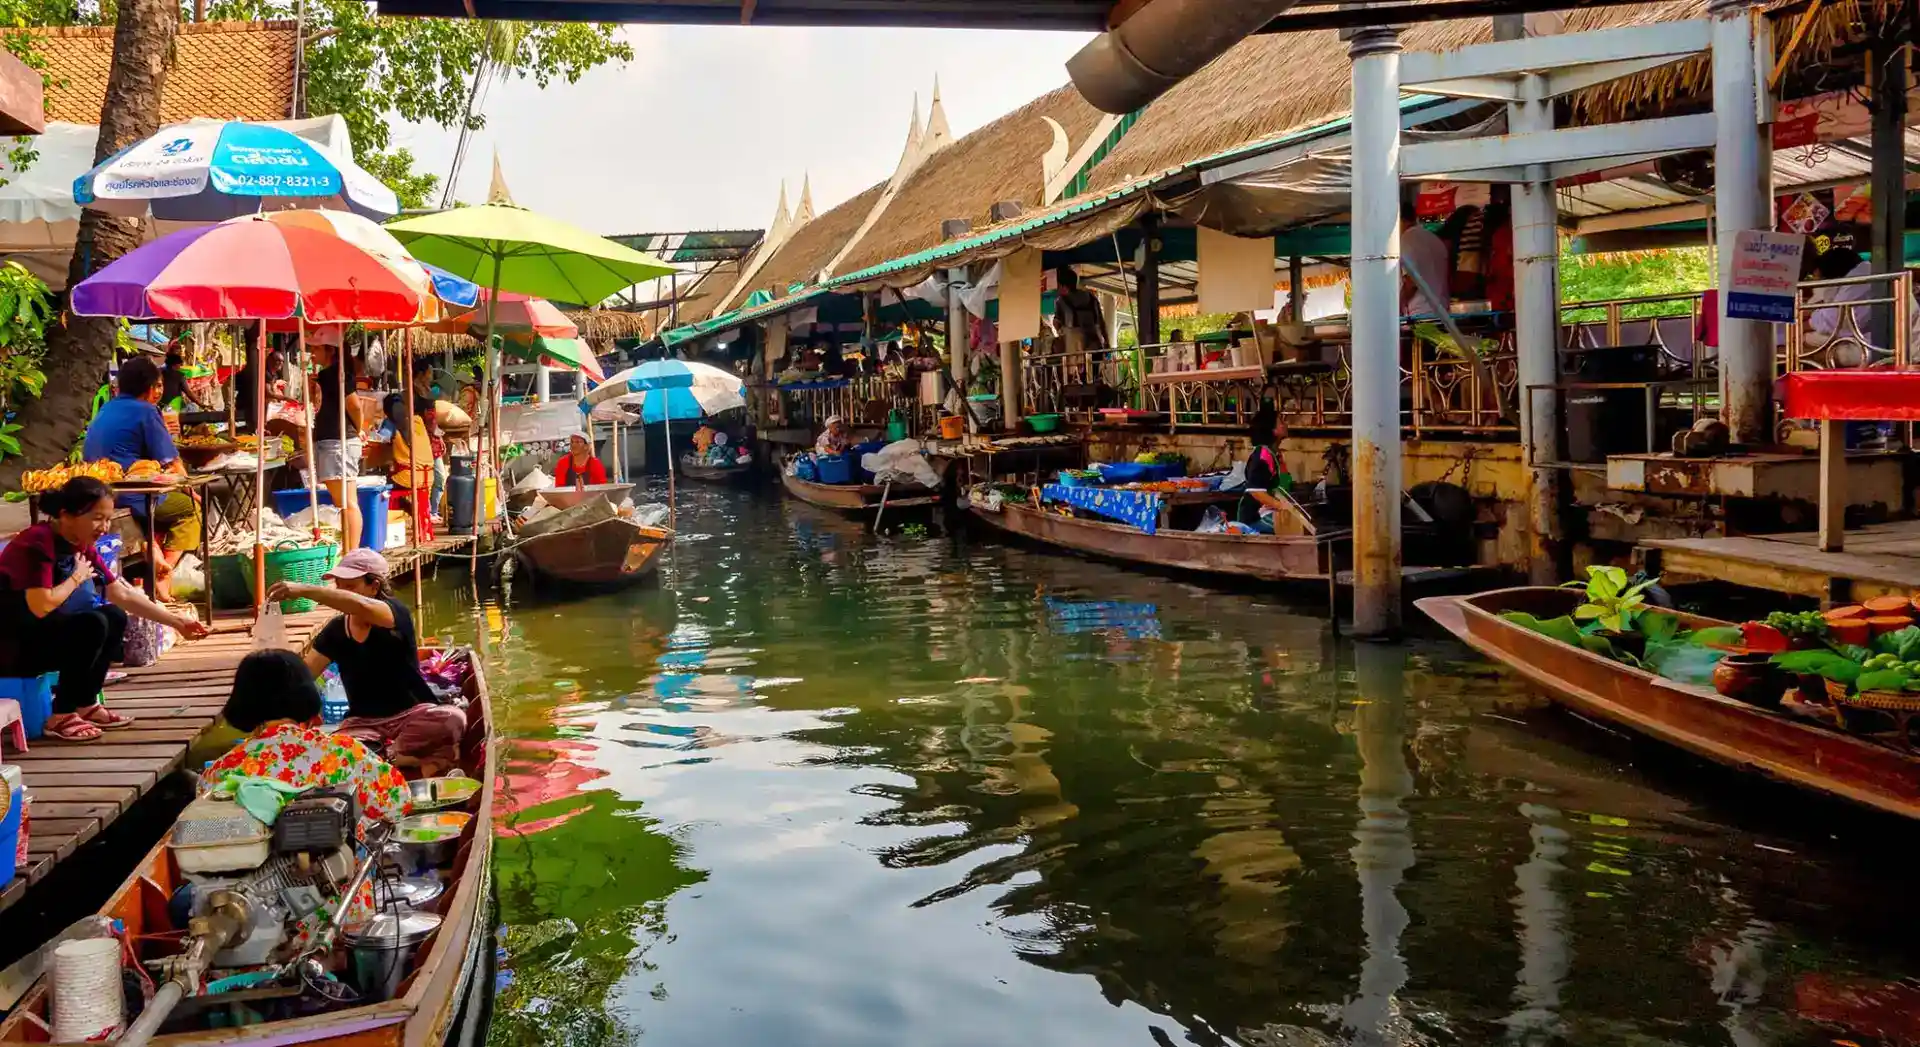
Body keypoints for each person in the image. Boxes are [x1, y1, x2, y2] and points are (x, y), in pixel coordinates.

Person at [200, 649, 410, 945]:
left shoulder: (220, 772)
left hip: (248, 930)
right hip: (342, 922)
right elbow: (399, 802)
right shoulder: (342, 753)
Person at [0, 477, 209, 742]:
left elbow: (120, 592)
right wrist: (76, 578)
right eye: (97, 518)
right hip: (13, 648)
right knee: (92, 624)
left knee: (114, 615)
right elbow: (40, 606)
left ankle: (85, 705)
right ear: (66, 515)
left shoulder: (79, 544)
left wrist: (176, 621)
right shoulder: (37, 543)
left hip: (42, 636)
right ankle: (60, 715)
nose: (105, 527)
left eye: (108, 518)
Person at [274, 548, 465, 775]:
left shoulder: (395, 614)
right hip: (362, 724)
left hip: (412, 716)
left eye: (351, 587)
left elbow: (361, 606)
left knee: (453, 718)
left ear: (374, 587)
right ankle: (401, 759)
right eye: (340, 587)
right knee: (334, 750)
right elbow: (304, 677)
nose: (343, 595)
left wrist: (305, 590)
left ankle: (387, 756)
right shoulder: (336, 630)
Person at [83, 356, 202, 600]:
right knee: (191, 509)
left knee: (169, 504)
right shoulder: (146, 411)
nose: (159, 391)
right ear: (149, 388)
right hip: (132, 496)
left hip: (101, 491)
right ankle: (163, 575)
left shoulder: (107, 408)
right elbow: (172, 462)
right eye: (158, 386)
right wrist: (193, 492)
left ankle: (152, 547)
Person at [310, 342, 363, 550]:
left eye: (317, 349)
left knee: (346, 503)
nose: (313, 353)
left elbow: (355, 406)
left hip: (338, 443)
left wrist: (359, 428)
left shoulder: (336, 374)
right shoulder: (328, 375)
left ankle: (352, 553)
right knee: (344, 502)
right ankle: (350, 551)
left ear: (330, 350)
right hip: (333, 442)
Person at [1236, 406, 1294, 529]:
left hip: (1271, 513)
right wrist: (1281, 506)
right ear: (1272, 430)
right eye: (1281, 422)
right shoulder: (1263, 455)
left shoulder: (1275, 454)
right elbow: (1256, 492)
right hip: (1256, 519)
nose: (1285, 424)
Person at [1400, 200, 1452, 318]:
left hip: (1419, 314)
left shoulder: (1406, 240)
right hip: (1443, 311)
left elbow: (1411, 281)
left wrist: (1397, 304)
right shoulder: (1434, 239)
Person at [1055, 268, 1109, 355]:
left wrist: (1061, 333)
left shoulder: (1061, 301)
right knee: (1094, 367)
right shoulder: (1091, 298)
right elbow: (1101, 322)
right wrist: (1107, 342)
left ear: (1063, 286)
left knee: (1077, 367)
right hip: (1094, 343)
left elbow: (1056, 323)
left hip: (1074, 346)